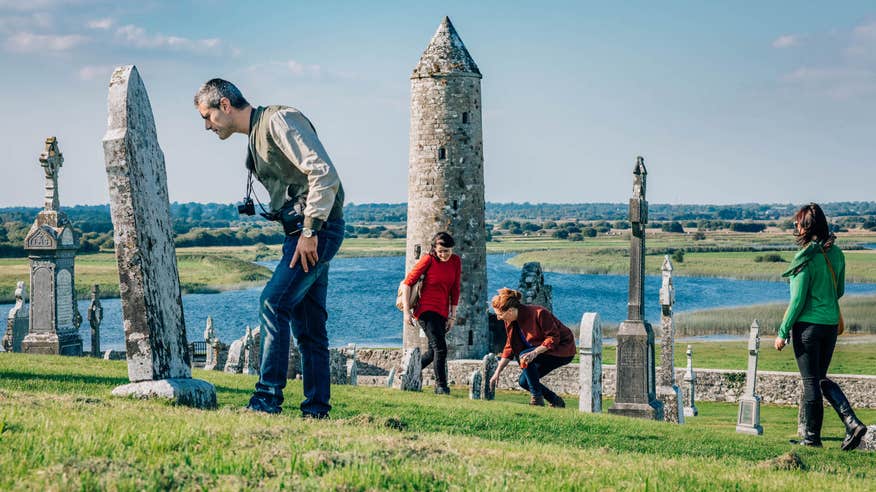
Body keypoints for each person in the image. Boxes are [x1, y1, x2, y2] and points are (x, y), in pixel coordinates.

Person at [194, 79, 345, 418]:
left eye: (208, 116)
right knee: (309, 326)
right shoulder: (257, 135)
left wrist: (310, 231)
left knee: (273, 303)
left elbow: (324, 173)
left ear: (225, 105)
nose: (206, 126)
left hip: (314, 232)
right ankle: (317, 410)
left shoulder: (278, 120)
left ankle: (266, 399)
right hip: (304, 232)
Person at [775, 203, 867, 449]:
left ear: (806, 227)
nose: (794, 227)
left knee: (810, 382)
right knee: (819, 378)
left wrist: (782, 332)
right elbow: (840, 290)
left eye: (797, 223)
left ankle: (812, 439)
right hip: (829, 326)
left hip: (807, 328)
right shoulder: (836, 253)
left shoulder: (805, 258)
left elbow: (797, 301)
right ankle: (852, 423)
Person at [488, 288, 575, 407]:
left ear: (510, 311)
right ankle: (556, 401)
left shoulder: (539, 313)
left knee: (524, 355)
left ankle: (537, 399)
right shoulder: (510, 321)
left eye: (500, 315)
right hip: (538, 352)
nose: (498, 318)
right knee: (524, 382)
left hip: (563, 350)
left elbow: (553, 338)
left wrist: (534, 352)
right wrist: (497, 372)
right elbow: (509, 348)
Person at [401, 232, 461, 394]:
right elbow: (407, 283)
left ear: (451, 249)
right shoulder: (428, 259)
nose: (443, 254)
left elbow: (455, 289)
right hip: (425, 310)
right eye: (440, 251)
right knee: (441, 349)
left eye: (446, 251)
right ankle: (441, 387)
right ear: (434, 249)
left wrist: (452, 316)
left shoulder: (455, 261)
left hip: (442, 312)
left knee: (433, 351)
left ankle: (409, 373)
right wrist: (406, 312)